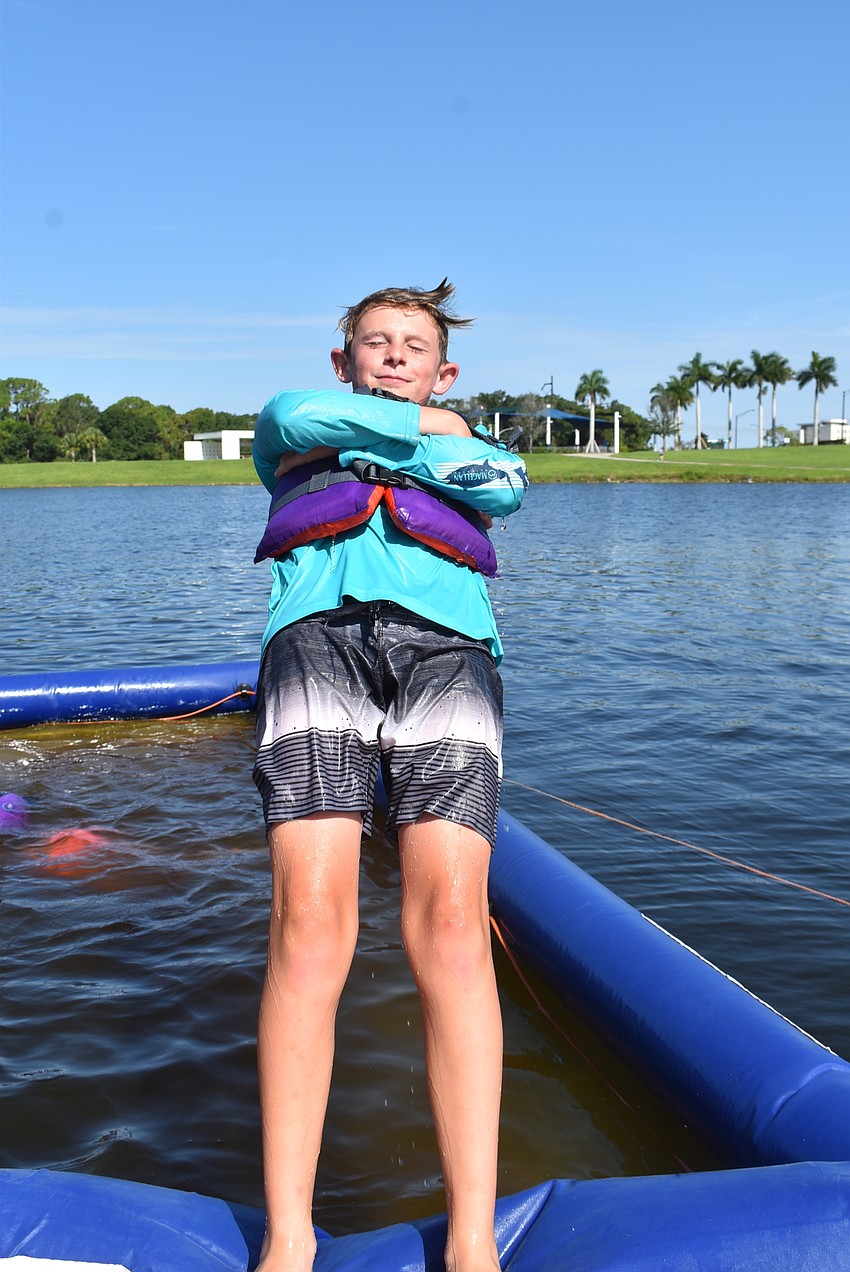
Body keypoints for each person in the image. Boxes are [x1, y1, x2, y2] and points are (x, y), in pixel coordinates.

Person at [251, 280, 527, 1272]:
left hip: (448, 654)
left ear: (445, 371)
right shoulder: (294, 420)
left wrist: (404, 441)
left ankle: (472, 1238)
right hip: (316, 645)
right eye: (376, 342)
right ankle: (288, 1235)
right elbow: (296, 419)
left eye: (415, 346)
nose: (396, 354)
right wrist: (427, 434)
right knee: (309, 923)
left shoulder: (478, 447)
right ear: (345, 362)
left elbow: (501, 483)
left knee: (452, 924)